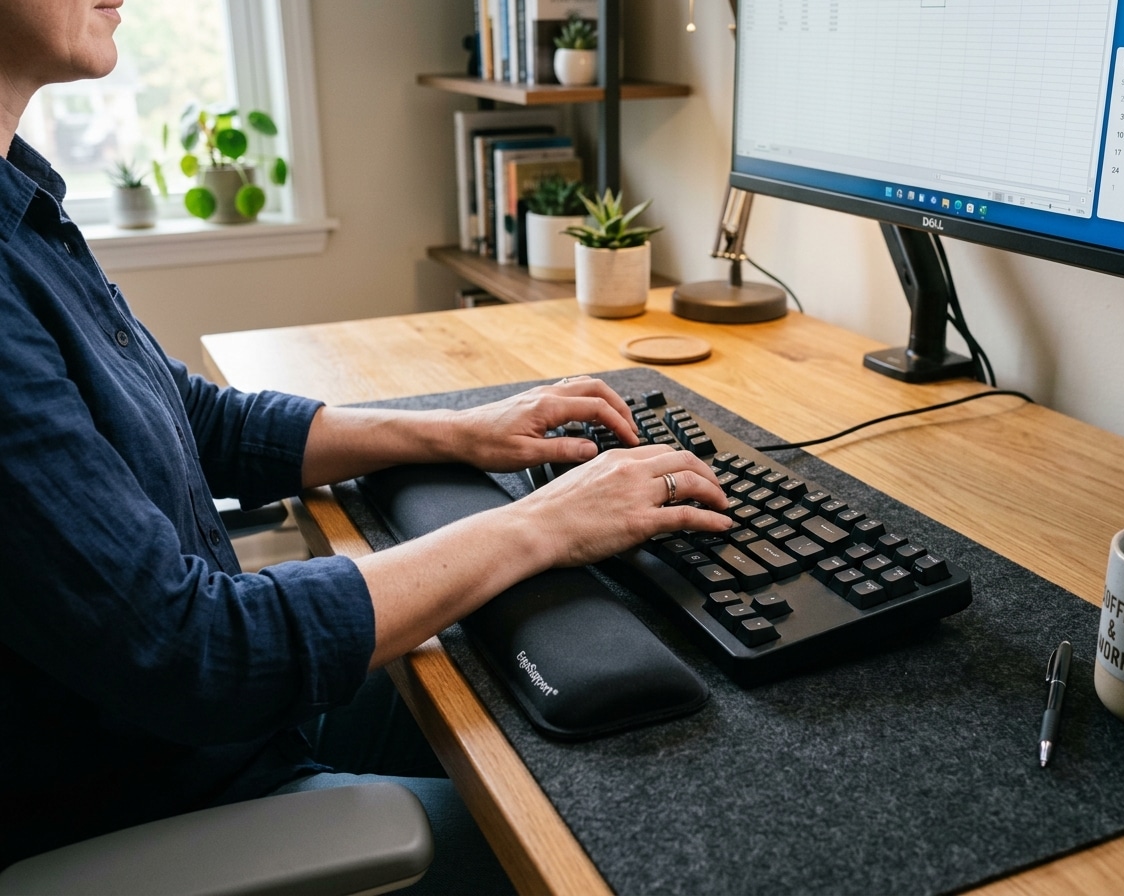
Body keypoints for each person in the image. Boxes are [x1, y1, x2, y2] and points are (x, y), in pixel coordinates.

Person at [0, 0, 732, 887]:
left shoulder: (20, 203)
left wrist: (460, 432)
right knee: (632, 838)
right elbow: (194, 651)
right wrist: (542, 525)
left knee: (551, 688)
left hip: (203, 737)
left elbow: (195, 418)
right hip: (155, 799)